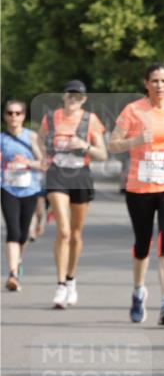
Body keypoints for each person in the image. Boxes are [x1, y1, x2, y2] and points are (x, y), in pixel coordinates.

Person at [108, 63, 164, 326]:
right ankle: (138, 291)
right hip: (140, 186)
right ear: (146, 83)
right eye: (154, 80)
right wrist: (134, 141)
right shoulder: (133, 111)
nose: (159, 85)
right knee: (142, 245)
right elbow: (113, 144)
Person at [38, 81, 107, 309]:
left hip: (80, 176)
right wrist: (43, 158)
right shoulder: (50, 118)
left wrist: (84, 145)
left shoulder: (91, 120)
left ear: (84, 99)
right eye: (70, 94)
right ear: (63, 96)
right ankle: (59, 285)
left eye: (78, 96)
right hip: (57, 175)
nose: (73, 98)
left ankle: (71, 279)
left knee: (76, 234)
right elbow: (39, 141)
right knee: (64, 231)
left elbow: (102, 154)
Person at [1, 99, 44, 290]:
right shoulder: (1, 139)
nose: (13, 117)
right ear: (4, 116)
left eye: (17, 113)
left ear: (23, 116)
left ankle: (17, 261)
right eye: (10, 113)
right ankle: (12, 274)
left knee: (23, 233)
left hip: (29, 188)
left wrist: (27, 162)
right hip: (7, 188)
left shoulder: (32, 137)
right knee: (13, 230)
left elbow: (43, 163)